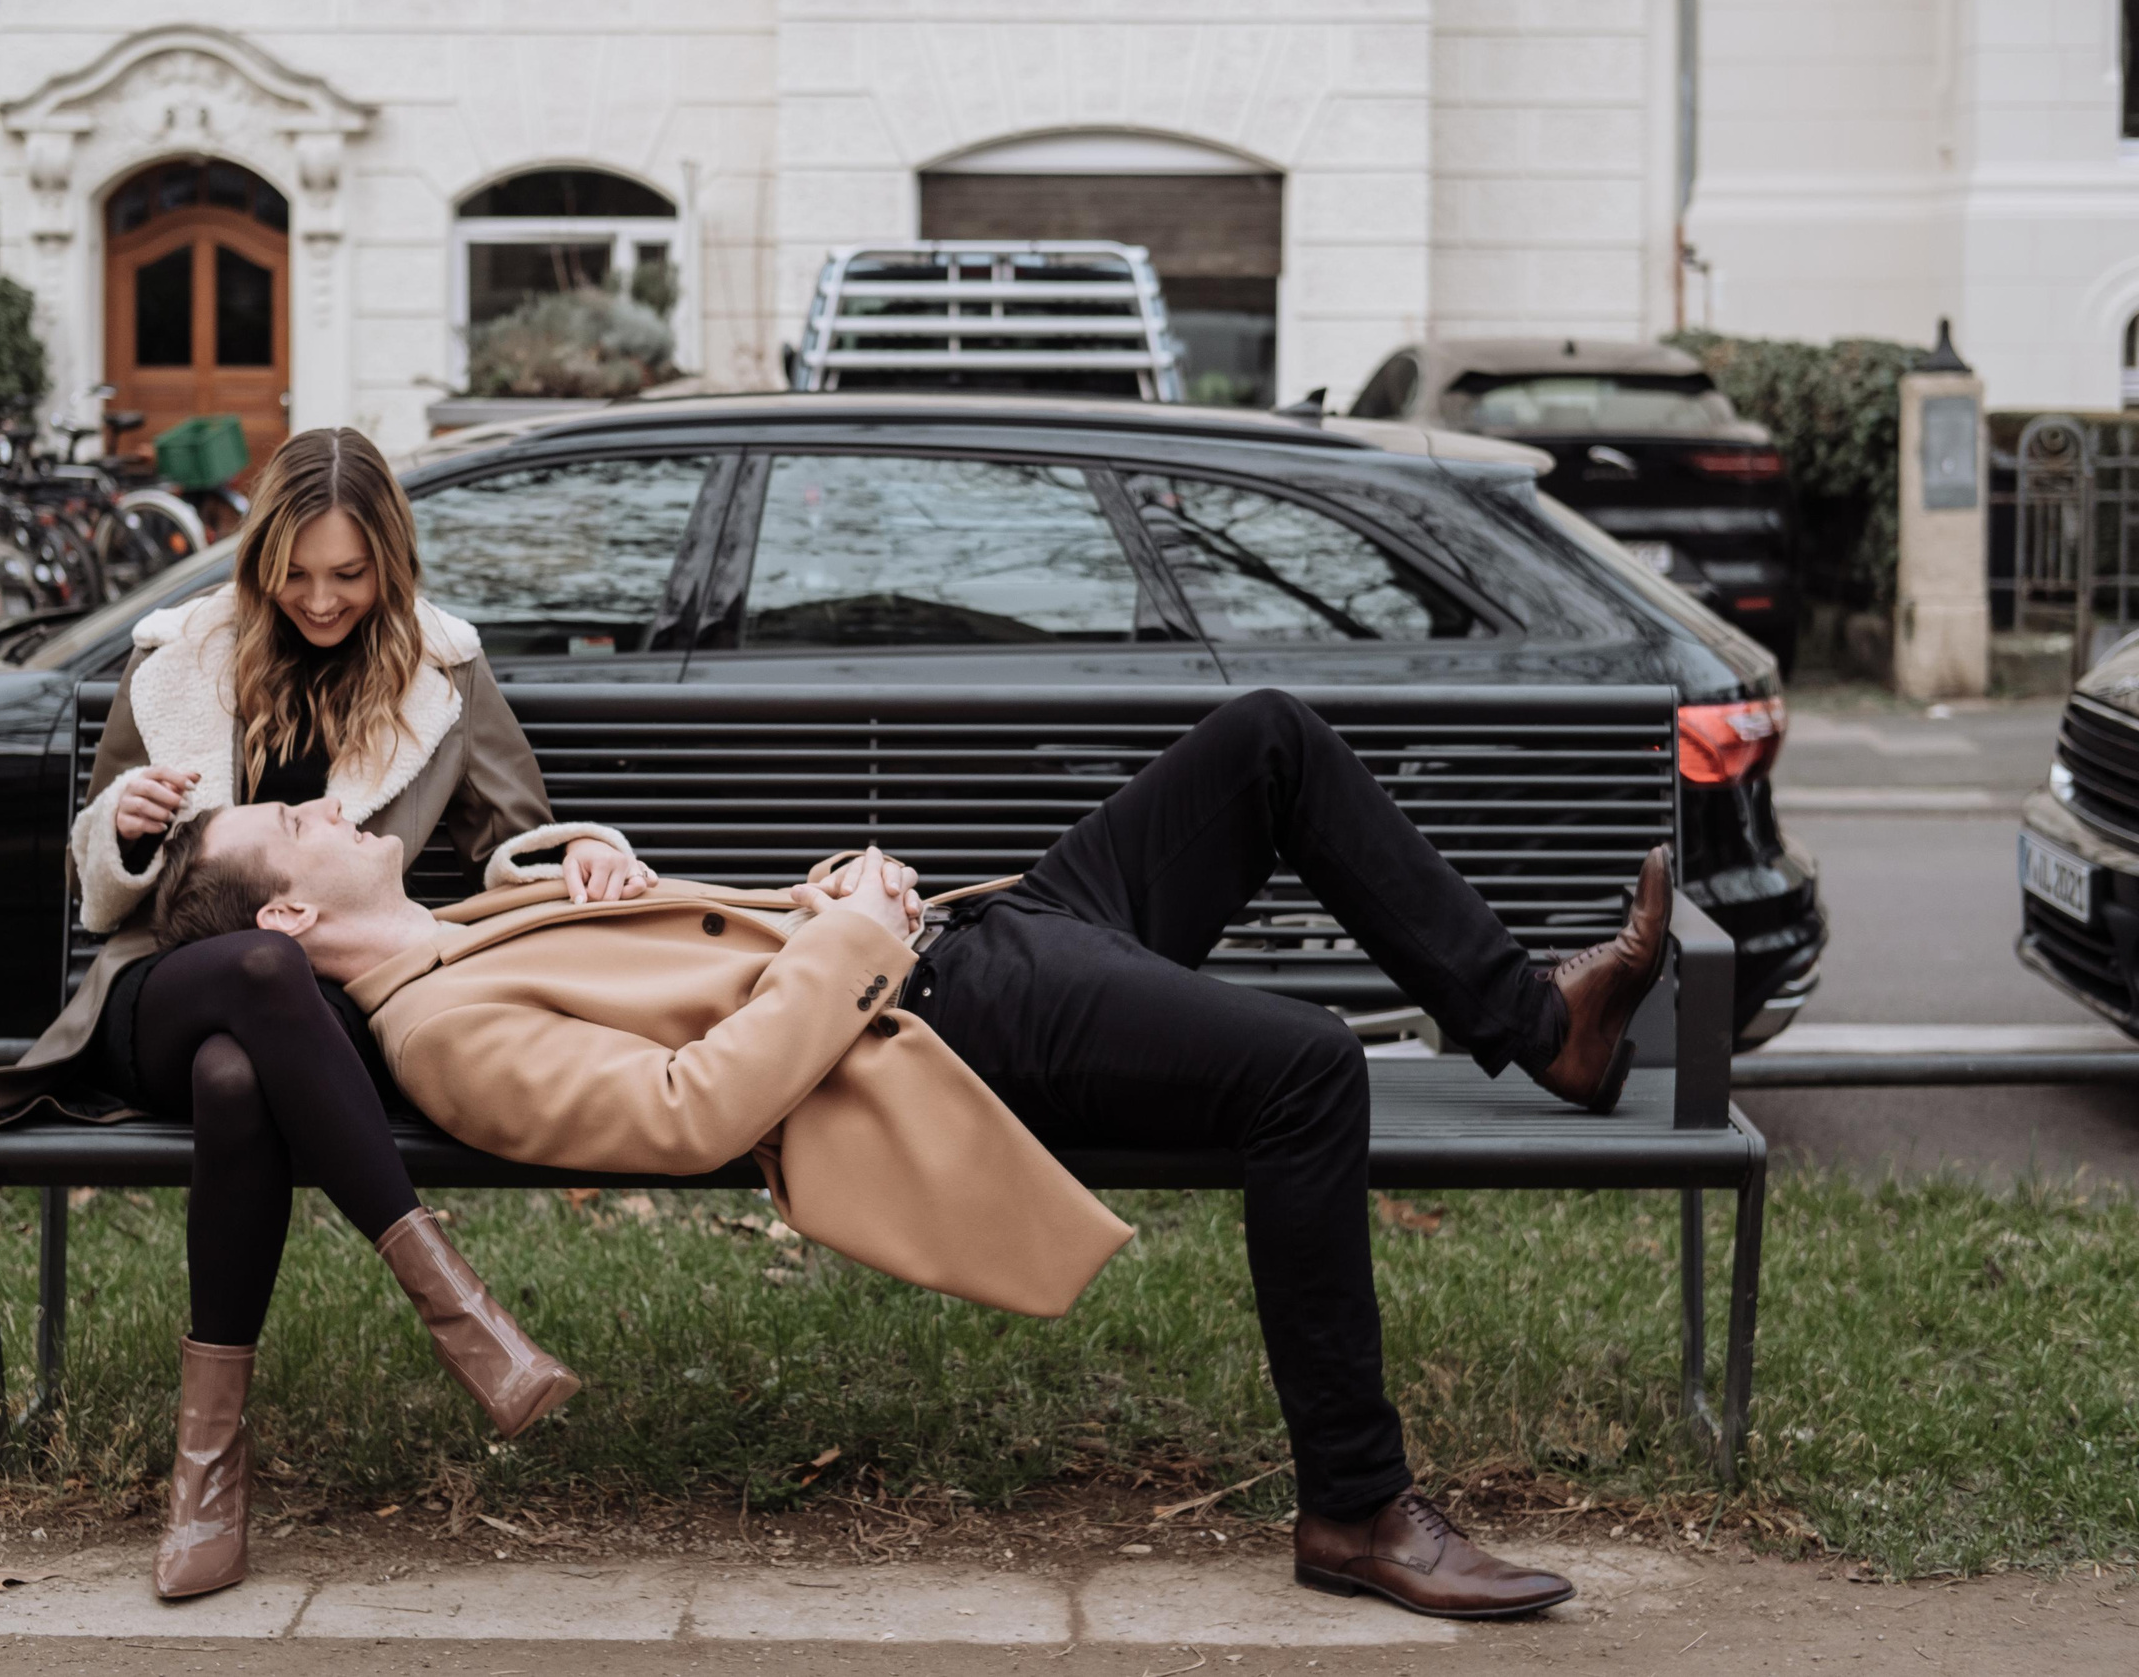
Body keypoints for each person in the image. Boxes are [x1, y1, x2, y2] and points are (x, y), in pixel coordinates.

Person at [148, 689, 1673, 1621]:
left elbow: (721, 954)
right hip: (954, 1021)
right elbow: (693, 1110)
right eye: (297, 819)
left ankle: (1542, 1022)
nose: (335, 804)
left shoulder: (470, 920)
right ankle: (1357, 1501)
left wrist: (826, 895)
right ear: (288, 917)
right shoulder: (439, 1028)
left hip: (982, 936)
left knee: (1265, 740)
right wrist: (861, 936)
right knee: (1308, 1069)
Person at [0, 427, 657, 1601]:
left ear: (389, 566)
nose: (320, 599)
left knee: (240, 1078)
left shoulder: (442, 675)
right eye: (297, 573)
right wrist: (128, 824)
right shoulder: (181, 656)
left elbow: (512, 836)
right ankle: (459, 1315)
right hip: (163, 988)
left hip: (328, 1011)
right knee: (255, 979)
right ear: (262, 559)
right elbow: (95, 872)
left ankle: (204, 1474)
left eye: (348, 575)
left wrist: (588, 861)